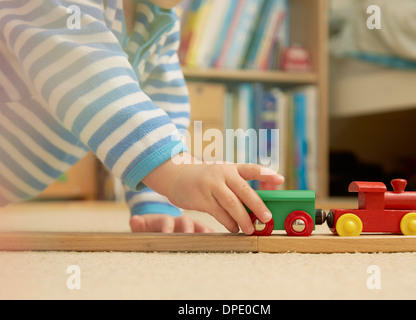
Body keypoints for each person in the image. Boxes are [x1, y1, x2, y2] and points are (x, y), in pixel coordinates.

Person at [0, 0, 284, 235]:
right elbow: (87, 74)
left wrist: (158, 200)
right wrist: (178, 173)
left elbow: (161, 102)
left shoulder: (159, 21)